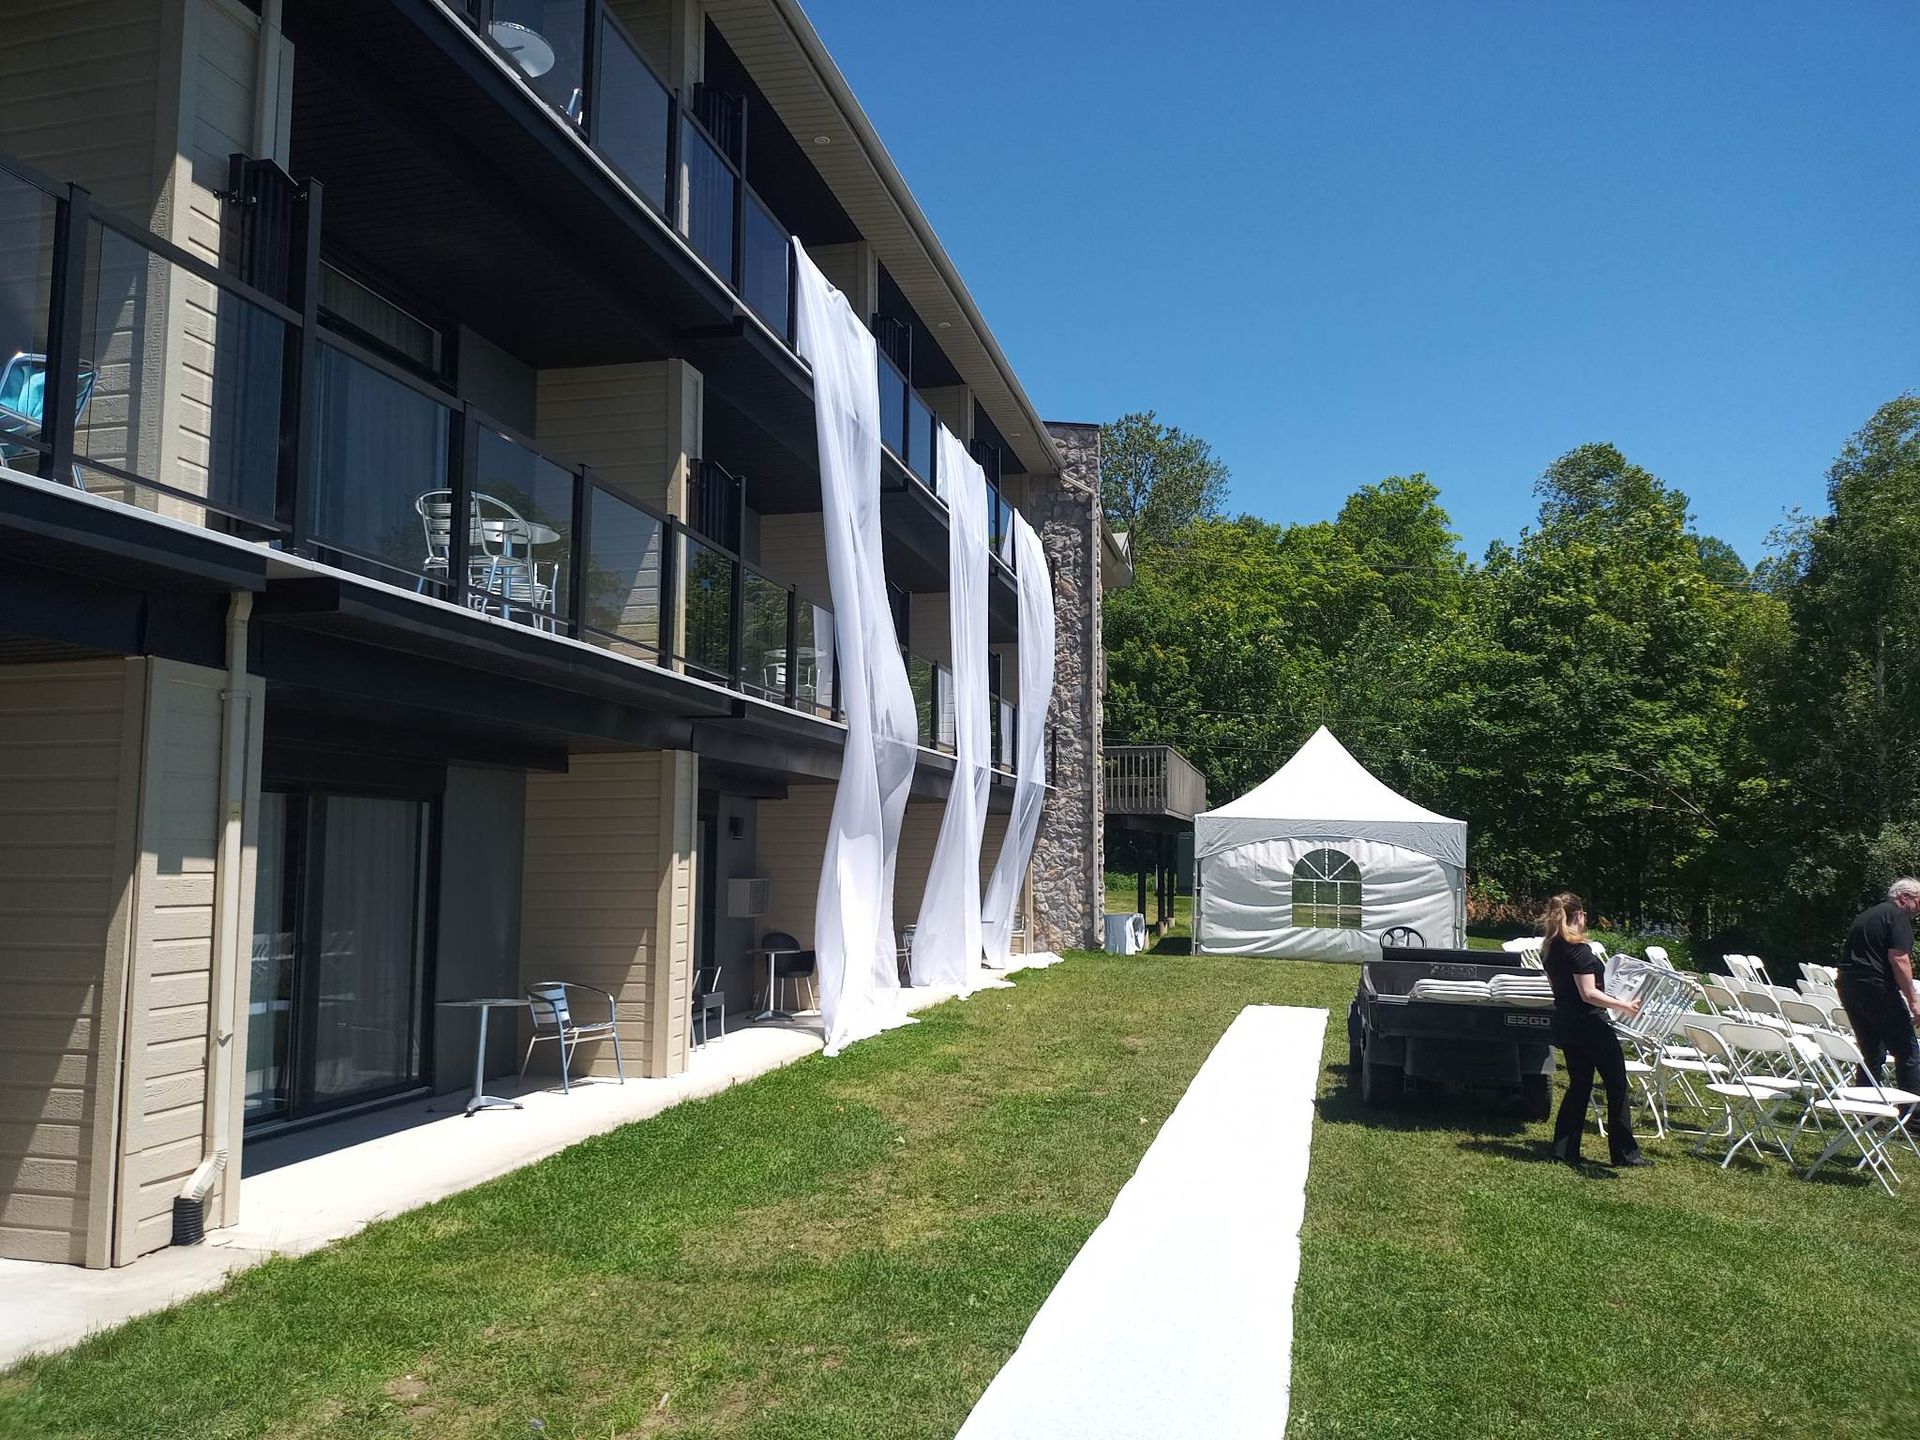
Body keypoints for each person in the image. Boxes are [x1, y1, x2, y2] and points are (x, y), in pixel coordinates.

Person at [1539, 892, 1650, 1168]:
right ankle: (1625, 1153)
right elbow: (1588, 993)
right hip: (1590, 1024)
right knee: (1616, 1086)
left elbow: (1559, 988)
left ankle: (1564, 1149)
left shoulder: (1551, 948)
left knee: (1579, 1085)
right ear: (1578, 915)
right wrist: (1623, 1004)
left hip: (1566, 1022)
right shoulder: (1579, 950)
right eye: (1584, 914)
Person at [1835, 878, 1920, 1096]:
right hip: (1876, 987)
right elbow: (1899, 959)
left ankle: (1865, 1110)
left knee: (1872, 1051)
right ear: (1904, 898)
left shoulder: (1868, 915)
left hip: (1849, 985)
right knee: (1908, 1051)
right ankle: (1914, 1119)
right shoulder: (1898, 916)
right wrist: (1914, 1002)